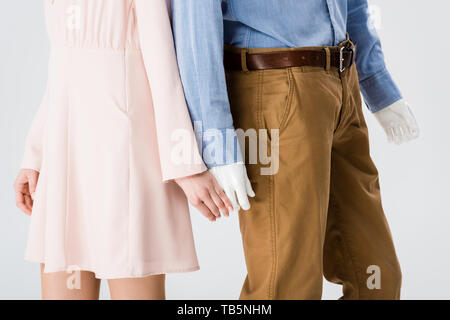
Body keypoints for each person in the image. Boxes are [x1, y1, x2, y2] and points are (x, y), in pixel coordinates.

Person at [172, 0, 420, 299]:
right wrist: (215, 139)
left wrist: (378, 85)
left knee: (377, 278)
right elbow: (194, 27)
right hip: (277, 90)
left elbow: (353, 5)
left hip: (343, 81)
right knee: (288, 285)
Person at [13, 0, 233, 300]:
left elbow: (163, 67)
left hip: (121, 153)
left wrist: (184, 163)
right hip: (65, 157)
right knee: (64, 283)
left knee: (131, 275)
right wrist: (35, 155)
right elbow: (61, 68)